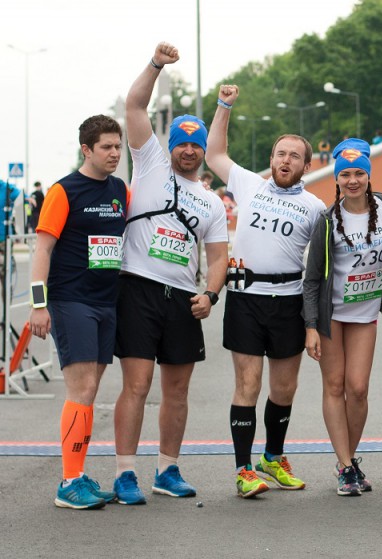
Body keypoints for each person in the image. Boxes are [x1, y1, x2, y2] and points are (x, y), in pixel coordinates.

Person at [112, 42, 228, 505]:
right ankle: (125, 473)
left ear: (203, 151)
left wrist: (211, 294)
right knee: (137, 386)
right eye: (180, 142)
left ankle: (168, 469)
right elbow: (134, 105)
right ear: (170, 145)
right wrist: (157, 64)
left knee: (176, 391)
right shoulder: (151, 161)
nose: (186, 151)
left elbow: (217, 258)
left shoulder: (212, 201)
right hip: (137, 287)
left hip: (182, 298)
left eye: (195, 145)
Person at [206, 84, 325, 498]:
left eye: (294, 155)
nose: (285, 160)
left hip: (289, 301)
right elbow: (214, 154)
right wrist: (224, 107)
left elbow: (324, 267)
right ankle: (243, 470)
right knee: (248, 385)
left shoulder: (315, 207)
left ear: (307, 164)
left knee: (284, 388)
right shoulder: (249, 184)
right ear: (271, 160)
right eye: (280, 154)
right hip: (246, 298)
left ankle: (272, 458)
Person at [29, 115, 128, 509]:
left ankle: (78, 472)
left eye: (118, 146)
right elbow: (42, 250)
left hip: (107, 302)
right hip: (71, 301)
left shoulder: (120, 189)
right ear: (86, 150)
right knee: (82, 389)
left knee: (91, 391)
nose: (115, 154)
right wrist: (39, 304)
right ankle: (69, 482)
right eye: (106, 147)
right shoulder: (63, 191)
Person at [303, 138, 382, 496]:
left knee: (358, 389)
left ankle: (349, 457)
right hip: (332, 315)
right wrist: (311, 326)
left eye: (360, 173)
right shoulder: (327, 221)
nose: (353, 180)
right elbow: (312, 280)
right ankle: (345, 466)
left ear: (369, 175)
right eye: (346, 174)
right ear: (337, 178)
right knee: (335, 386)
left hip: (365, 312)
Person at [0, 179, 21, 299]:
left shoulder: (7, 188)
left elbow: (21, 196)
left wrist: (28, 199)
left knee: (5, 275)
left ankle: (6, 313)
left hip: (4, 240)